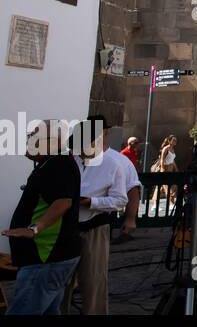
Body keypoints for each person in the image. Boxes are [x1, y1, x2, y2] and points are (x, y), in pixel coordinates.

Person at [3, 121, 82, 315]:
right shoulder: (52, 163)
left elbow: (63, 202)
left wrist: (34, 229)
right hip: (52, 259)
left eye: (34, 136)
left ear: (51, 143)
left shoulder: (58, 165)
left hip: (45, 258)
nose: (30, 139)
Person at [67, 116, 129, 314]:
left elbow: (120, 200)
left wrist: (91, 202)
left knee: (93, 280)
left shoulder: (113, 164)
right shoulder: (72, 161)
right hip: (68, 226)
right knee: (63, 279)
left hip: (94, 227)